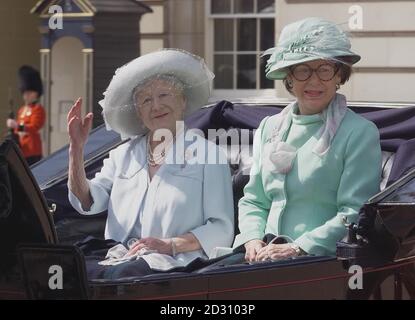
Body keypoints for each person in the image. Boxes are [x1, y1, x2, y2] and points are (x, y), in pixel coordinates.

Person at [67, 49, 234, 279]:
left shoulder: (208, 155)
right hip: (118, 258)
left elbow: (221, 229)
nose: (156, 106)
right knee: (70, 272)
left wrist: (169, 245)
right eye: (146, 100)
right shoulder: (123, 155)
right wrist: (76, 150)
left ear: (183, 100)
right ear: (138, 111)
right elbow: (87, 201)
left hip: (176, 265)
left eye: (164, 95)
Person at [233, 17, 382, 262]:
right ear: (289, 78)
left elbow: (353, 212)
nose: (314, 81)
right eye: (302, 69)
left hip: (320, 263)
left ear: (339, 75)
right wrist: (251, 238)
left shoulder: (359, 132)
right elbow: (254, 200)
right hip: (259, 258)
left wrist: (299, 248)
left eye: (324, 69)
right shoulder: (268, 128)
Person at [6, 66, 46, 165]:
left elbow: (34, 127)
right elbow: (17, 130)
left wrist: (17, 126)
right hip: (21, 149)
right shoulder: (22, 110)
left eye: (29, 92)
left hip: (32, 150)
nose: (26, 95)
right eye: (25, 93)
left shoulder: (38, 109)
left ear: (36, 93)